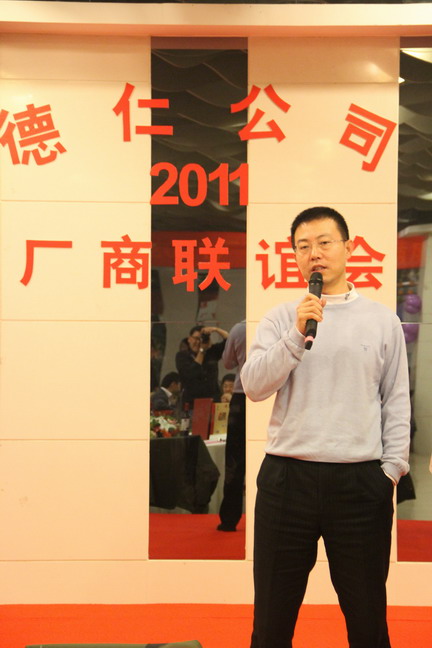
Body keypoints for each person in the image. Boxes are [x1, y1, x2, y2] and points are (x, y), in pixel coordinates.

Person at [240, 206, 411, 648]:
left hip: (360, 483)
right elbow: (253, 386)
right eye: (303, 246)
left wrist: (391, 471)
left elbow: (396, 399)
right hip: (287, 480)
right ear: (295, 256)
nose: (313, 253)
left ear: (348, 248)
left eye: (324, 242)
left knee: (367, 619)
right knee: (272, 620)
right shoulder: (283, 317)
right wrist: (296, 335)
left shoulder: (382, 320)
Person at [217, 320, 246, 532]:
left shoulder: (239, 329)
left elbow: (227, 363)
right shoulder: (279, 323)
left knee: (235, 460)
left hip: (242, 395)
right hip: (273, 394)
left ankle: (229, 518)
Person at [175, 324, 229, 407]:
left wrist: (215, 329)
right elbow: (192, 373)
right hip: (192, 403)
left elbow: (229, 341)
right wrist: (202, 351)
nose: (198, 342)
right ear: (189, 339)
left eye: (201, 339)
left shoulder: (212, 352)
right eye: (196, 338)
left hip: (213, 400)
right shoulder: (182, 356)